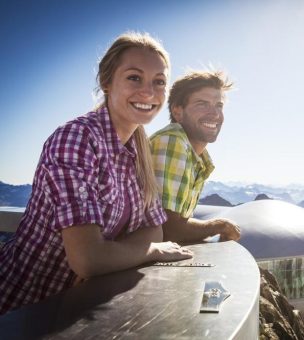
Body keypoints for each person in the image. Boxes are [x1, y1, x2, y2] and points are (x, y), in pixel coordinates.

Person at [0, 32, 193, 316]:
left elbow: (153, 229)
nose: (149, 92)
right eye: (134, 78)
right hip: (20, 308)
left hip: (76, 309)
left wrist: (114, 255)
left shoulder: (139, 151)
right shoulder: (76, 139)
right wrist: (150, 251)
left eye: (159, 82)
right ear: (106, 82)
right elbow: (88, 258)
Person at [150, 71, 241, 243]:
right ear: (177, 112)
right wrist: (219, 225)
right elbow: (169, 230)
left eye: (219, 105)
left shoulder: (197, 156)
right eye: (202, 104)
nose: (214, 114)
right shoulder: (172, 142)